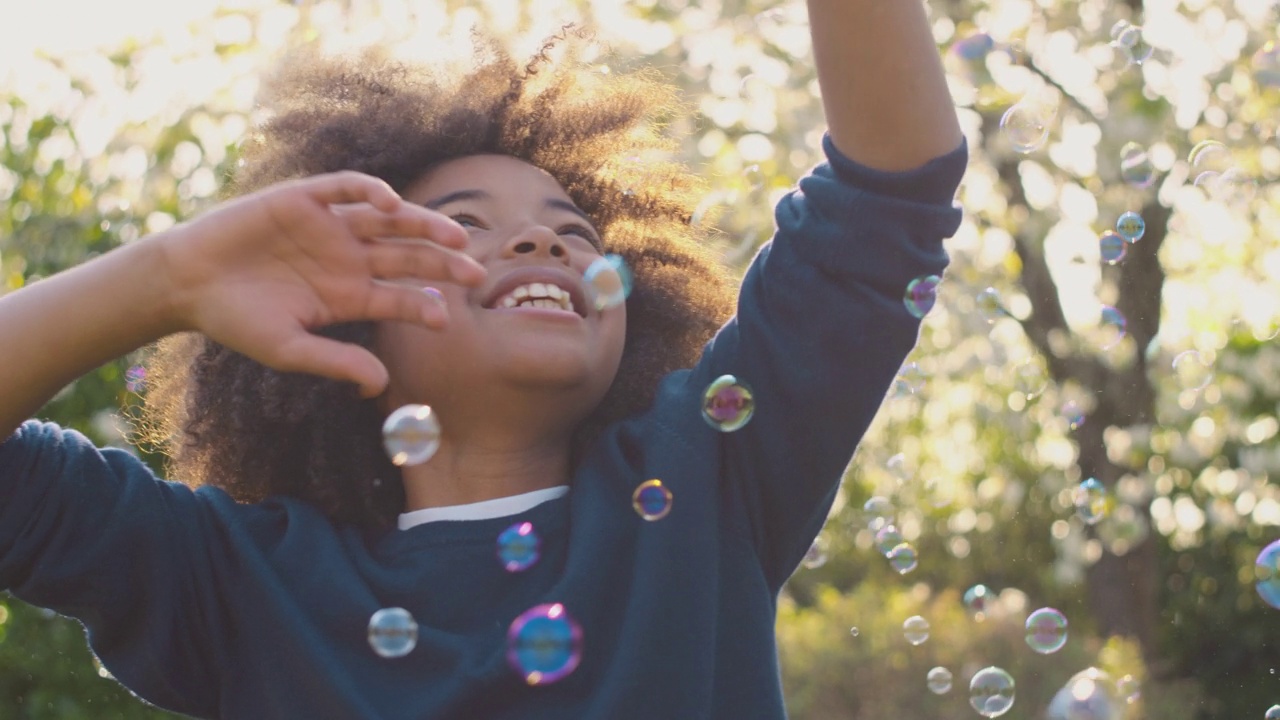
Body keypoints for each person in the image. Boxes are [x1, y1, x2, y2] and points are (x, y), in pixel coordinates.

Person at [0, 0, 964, 716]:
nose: (545, 246)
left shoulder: (707, 478)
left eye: (576, 233)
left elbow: (886, 204)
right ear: (348, 320)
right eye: (463, 227)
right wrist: (169, 278)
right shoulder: (238, 581)